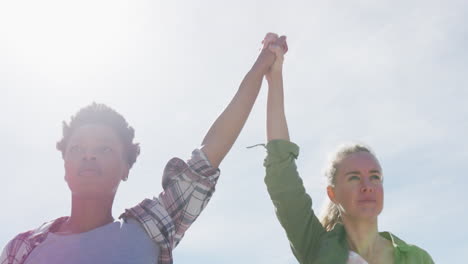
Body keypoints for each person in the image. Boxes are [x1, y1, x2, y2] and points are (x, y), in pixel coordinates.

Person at [0, 35, 278, 264]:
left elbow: (211, 150)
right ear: (64, 168)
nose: (89, 154)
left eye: (105, 149)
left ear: (125, 167)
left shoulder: (151, 228)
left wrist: (262, 64)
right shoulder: (22, 249)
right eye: (77, 148)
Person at [262, 33, 434, 264]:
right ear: (332, 193)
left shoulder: (416, 258)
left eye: (375, 177)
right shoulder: (316, 246)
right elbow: (282, 174)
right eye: (354, 178)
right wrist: (275, 77)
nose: (367, 187)